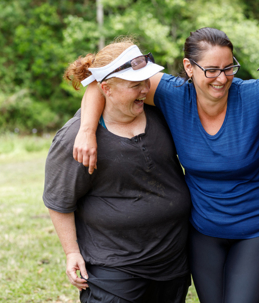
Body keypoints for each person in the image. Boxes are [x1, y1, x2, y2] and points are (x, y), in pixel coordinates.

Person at [72, 28, 259, 303]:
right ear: (189, 66)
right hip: (205, 231)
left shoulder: (257, 95)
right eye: (212, 70)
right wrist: (86, 130)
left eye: (229, 68)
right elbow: (102, 82)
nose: (222, 78)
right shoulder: (172, 94)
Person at [43, 38, 192, 303]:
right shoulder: (75, 138)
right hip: (114, 267)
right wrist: (71, 252)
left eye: (146, 81)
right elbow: (59, 200)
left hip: (171, 264)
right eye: (135, 85)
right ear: (106, 90)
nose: (145, 90)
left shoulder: (159, 114)